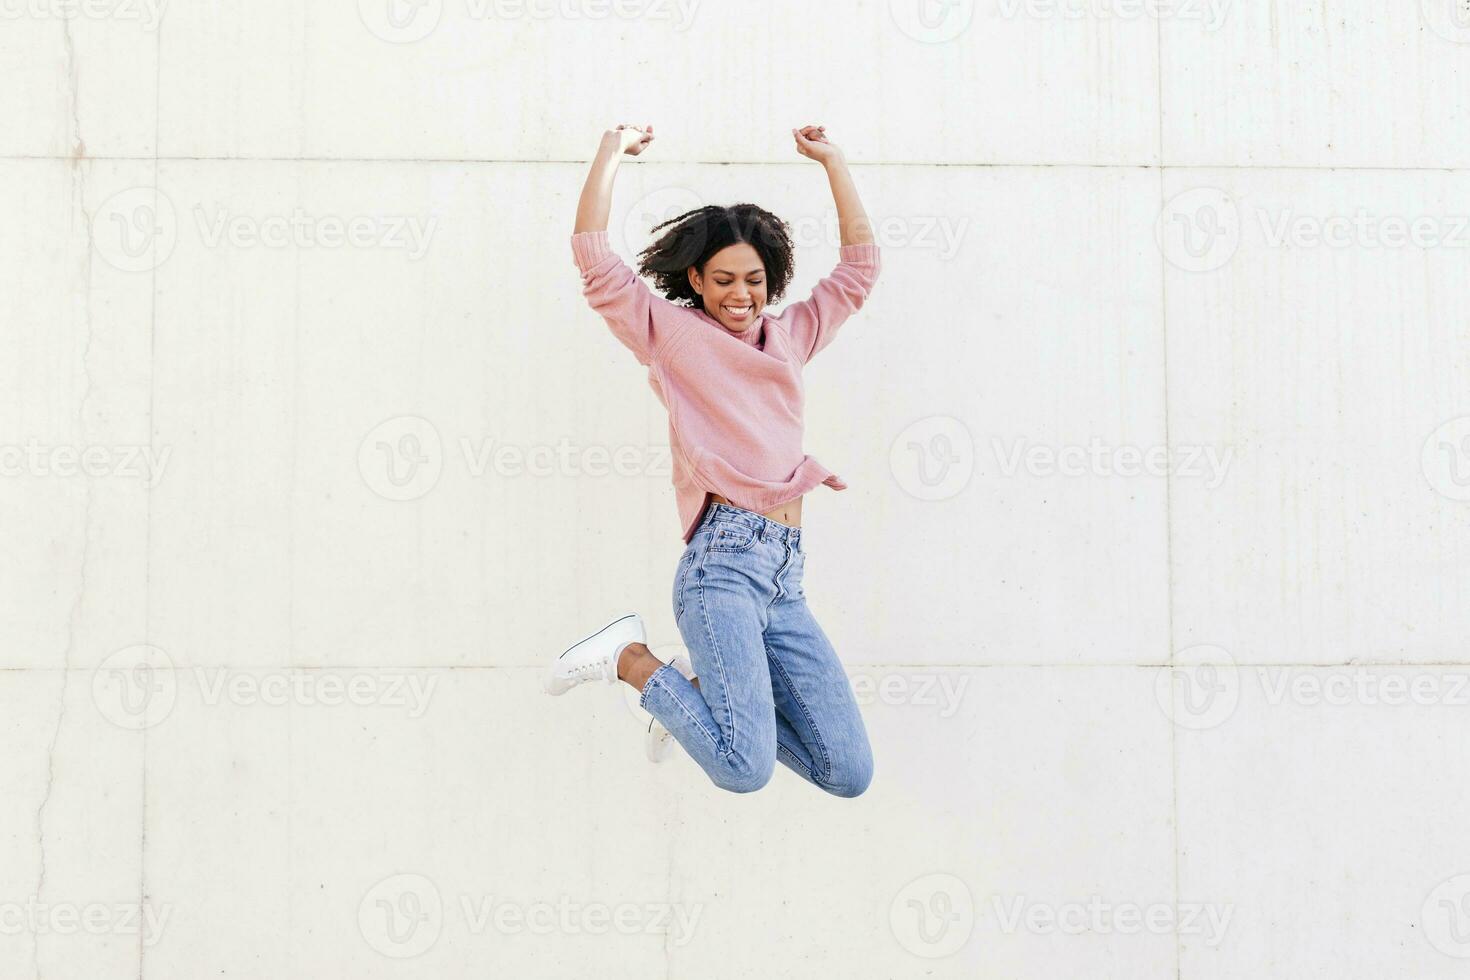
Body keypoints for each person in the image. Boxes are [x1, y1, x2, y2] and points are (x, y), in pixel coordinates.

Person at [543, 122, 879, 797]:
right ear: (695, 278)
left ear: (770, 280)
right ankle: (631, 662)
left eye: (752, 279)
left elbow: (859, 270)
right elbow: (593, 256)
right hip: (722, 568)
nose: (739, 293)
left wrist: (834, 162)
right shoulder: (670, 335)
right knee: (742, 767)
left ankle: (688, 698)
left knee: (847, 772)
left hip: (785, 574)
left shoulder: (790, 336)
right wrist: (609, 154)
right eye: (722, 279)